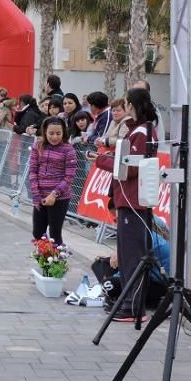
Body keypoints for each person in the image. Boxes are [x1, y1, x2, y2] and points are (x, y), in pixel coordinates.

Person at [93, 87, 159, 323]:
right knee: (127, 254)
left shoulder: (143, 132)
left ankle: (134, 306)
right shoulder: (139, 130)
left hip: (133, 201)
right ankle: (130, 302)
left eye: (126, 104)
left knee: (132, 256)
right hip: (129, 199)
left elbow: (130, 167)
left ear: (131, 105)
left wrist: (102, 160)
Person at [28, 117, 77, 248]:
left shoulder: (68, 149)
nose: (54, 137)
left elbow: (69, 177)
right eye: (51, 133)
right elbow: (32, 171)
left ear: (63, 133)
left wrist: (54, 194)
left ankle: (57, 263)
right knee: (38, 232)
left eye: (58, 133)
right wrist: (36, 194)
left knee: (55, 233)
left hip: (60, 197)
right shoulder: (37, 146)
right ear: (44, 132)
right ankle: (45, 260)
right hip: (40, 195)